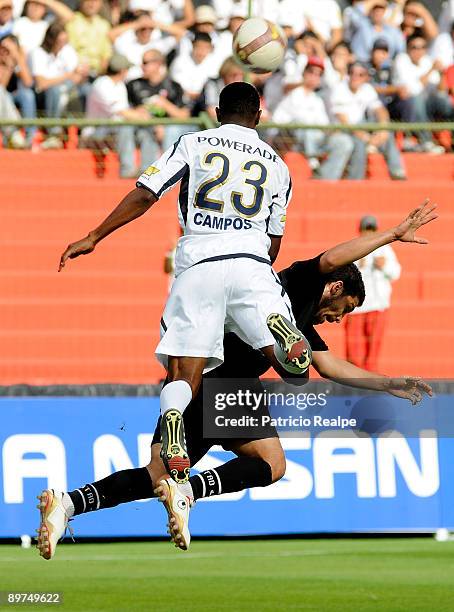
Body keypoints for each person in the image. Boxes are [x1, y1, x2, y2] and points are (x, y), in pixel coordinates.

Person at [37, 201, 437, 558]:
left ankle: (68, 503)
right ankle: (191, 490)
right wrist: (391, 235)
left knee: (157, 475)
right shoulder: (296, 282)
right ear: (333, 288)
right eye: (342, 309)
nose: (336, 319)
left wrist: (389, 383)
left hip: (195, 376)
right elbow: (333, 258)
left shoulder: (296, 314)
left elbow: (333, 368)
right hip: (233, 387)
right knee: (272, 464)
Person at [58, 81, 309, 488]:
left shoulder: (193, 143)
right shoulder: (278, 165)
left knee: (183, 372)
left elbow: (146, 193)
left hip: (199, 263)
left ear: (216, 112)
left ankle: (174, 419)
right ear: (259, 116)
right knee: (286, 360)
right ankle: (279, 330)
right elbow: (274, 240)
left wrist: (94, 236)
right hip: (251, 263)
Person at [273, 57, 355, 180]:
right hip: (289, 139)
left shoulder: (317, 100)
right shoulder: (292, 91)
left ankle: (324, 179)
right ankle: (312, 161)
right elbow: (286, 87)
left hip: (313, 141)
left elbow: (323, 126)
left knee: (344, 141)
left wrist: (333, 132)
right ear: (304, 73)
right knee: (302, 124)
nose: (314, 76)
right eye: (311, 71)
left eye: (318, 74)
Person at [330, 60, 407, 179]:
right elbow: (343, 122)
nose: (355, 77)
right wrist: (366, 138)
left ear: (366, 77)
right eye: (352, 73)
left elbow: (380, 110)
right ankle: (356, 181)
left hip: (360, 127)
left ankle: (397, 173)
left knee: (387, 135)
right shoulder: (339, 88)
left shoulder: (367, 88)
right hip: (341, 131)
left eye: (360, 74)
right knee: (358, 142)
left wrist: (383, 128)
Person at [345, 214, 401, 371]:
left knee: (373, 350)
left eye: (372, 229)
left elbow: (395, 273)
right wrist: (358, 265)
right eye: (366, 229)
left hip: (378, 305)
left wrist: (384, 266)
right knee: (353, 349)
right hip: (356, 307)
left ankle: (370, 380)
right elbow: (344, 273)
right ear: (360, 230)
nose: (369, 233)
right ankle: (353, 380)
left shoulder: (385, 249)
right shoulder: (353, 247)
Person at [83, 53, 150, 178]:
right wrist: (142, 116)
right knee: (126, 126)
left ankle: (147, 172)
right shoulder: (101, 84)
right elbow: (120, 112)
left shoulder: (120, 85)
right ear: (122, 71)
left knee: (146, 132)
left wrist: (141, 112)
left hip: (114, 130)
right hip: (96, 132)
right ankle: (127, 170)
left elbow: (125, 111)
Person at [126, 48, 189, 172]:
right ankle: (147, 175)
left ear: (158, 63)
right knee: (147, 133)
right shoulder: (133, 85)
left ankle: (169, 171)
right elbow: (126, 112)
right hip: (142, 128)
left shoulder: (173, 86)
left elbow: (184, 115)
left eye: (145, 62)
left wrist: (164, 104)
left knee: (171, 131)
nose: (142, 66)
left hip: (169, 131)